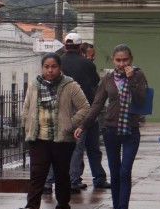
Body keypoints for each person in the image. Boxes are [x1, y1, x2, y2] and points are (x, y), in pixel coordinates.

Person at [75, 44, 147, 209]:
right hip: (111, 129)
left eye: (125, 60)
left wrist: (131, 81)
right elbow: (97, 104)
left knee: (125, 171)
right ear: (113, 61)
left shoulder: (138, 76)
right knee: (115, 173)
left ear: (131, 60)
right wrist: (83, 125)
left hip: (131, 130)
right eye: (118, 60)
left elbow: (141, 101)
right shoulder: (107, 78)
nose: (122, 64)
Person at [18, 53, 90, 209]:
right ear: (42, 68)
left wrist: (70, 124)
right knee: (37, 174)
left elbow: (84, 108)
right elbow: (26, 107)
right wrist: (27, 124)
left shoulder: (70, 85)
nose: (50, 70)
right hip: (38, 138)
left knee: (61, 174)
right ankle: (31, 208)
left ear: (60, 68)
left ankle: (63, 207)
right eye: (46, 67)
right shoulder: (34, 85)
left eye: (53, 67)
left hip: (62, 139)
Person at [44, 33, 110, 193]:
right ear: (81, 47)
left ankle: (49, 182)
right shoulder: (87, 65)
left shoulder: (59, 63)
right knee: (91, 147)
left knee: (63, 147)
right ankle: (87, 179)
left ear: (65, 46)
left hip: (64, 111)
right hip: (87, 111)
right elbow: (96, 83)